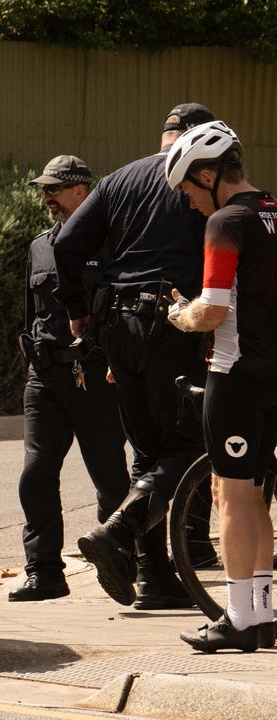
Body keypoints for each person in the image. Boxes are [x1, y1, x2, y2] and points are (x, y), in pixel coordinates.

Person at [54, 103, 215, 609]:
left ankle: (154, 578)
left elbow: (65, 245)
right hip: (170, 323)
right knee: (190, 445)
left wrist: (78, 310)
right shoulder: (197, 182)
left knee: (146, 452)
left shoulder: (121, 178)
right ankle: (117, 532)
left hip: (117, 327)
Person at [162, 122, 277, 652]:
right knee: (255, 498)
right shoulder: (273, 211)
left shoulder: (227, 223)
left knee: (230, 496)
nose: (188, 202)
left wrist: (179, 314)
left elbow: (212, 311)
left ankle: (237, 620)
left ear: (208, 175)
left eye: (188, 188)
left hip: (236, 377)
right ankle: (263, 613)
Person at [12, 156, 130, 602]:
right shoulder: (39, 246)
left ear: (82, 191)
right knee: (36, 475)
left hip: (97, 374)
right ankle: (44, 572)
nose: (47, 198)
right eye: (43, 189)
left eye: (54, 189)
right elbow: (32, 312)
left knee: (110, 477)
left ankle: (120, 560)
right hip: (45, 374)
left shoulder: (112, 244)